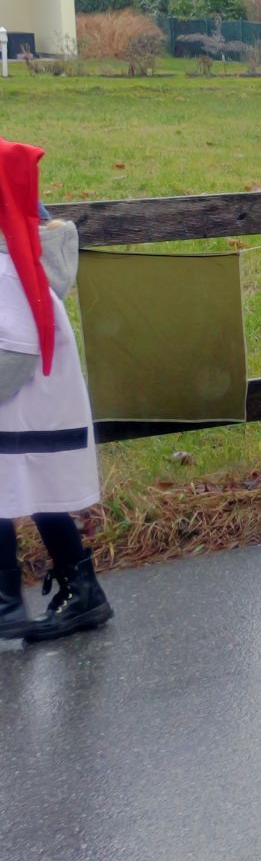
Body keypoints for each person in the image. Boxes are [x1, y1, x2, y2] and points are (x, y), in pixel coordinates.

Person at [0, 141, 110, 646]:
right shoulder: (18, 250)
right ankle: (81, 591)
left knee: (16, 487)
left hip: (19, 390)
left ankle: (5, 603)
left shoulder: (10, 266)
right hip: (27, 398)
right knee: (33, 488)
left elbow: (14, 350)